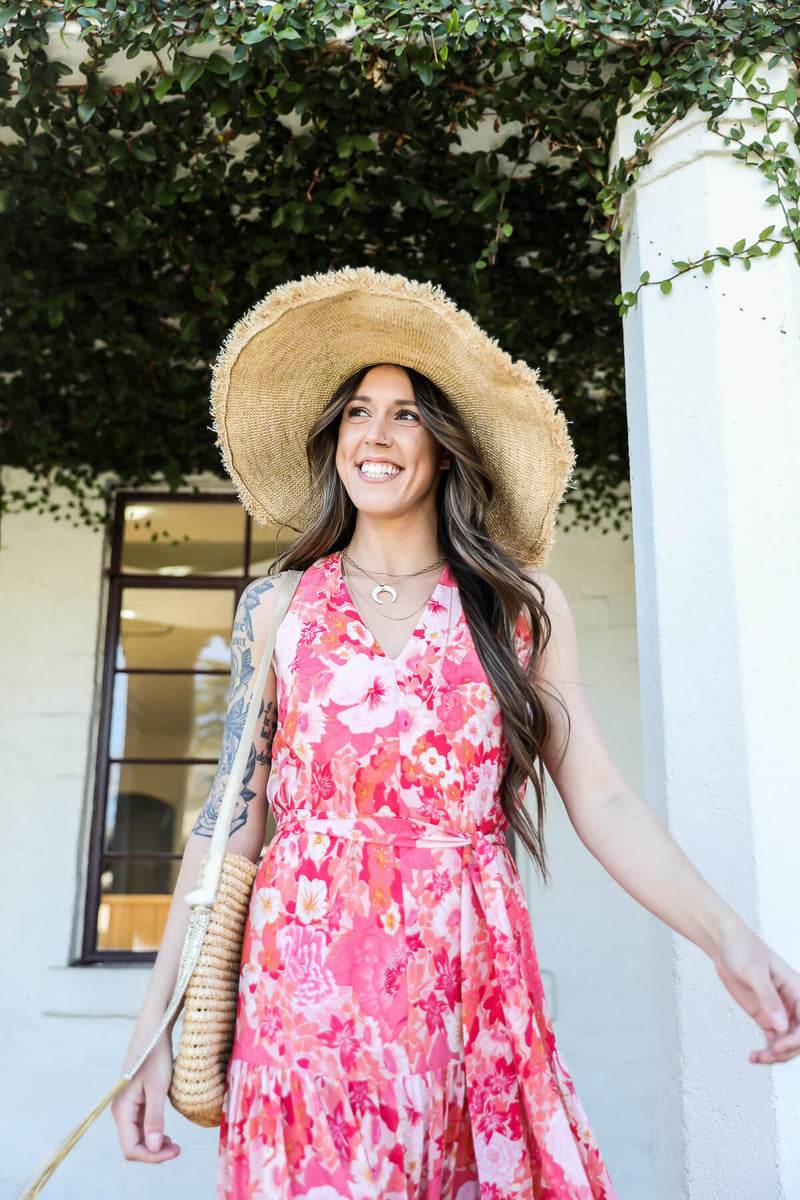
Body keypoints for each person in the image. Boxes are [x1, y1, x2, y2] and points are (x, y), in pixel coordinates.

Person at [112, 267, 800, 1199]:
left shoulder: (518, 609)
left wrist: (727, 936)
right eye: (359, 412)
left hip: (467, 989)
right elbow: (225, 824)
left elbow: (598, 793)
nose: (378, 434)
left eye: (406, 414)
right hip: (304, 995)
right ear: (335, 442)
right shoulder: (278, 607)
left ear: (445, 447)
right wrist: (154, 1029)